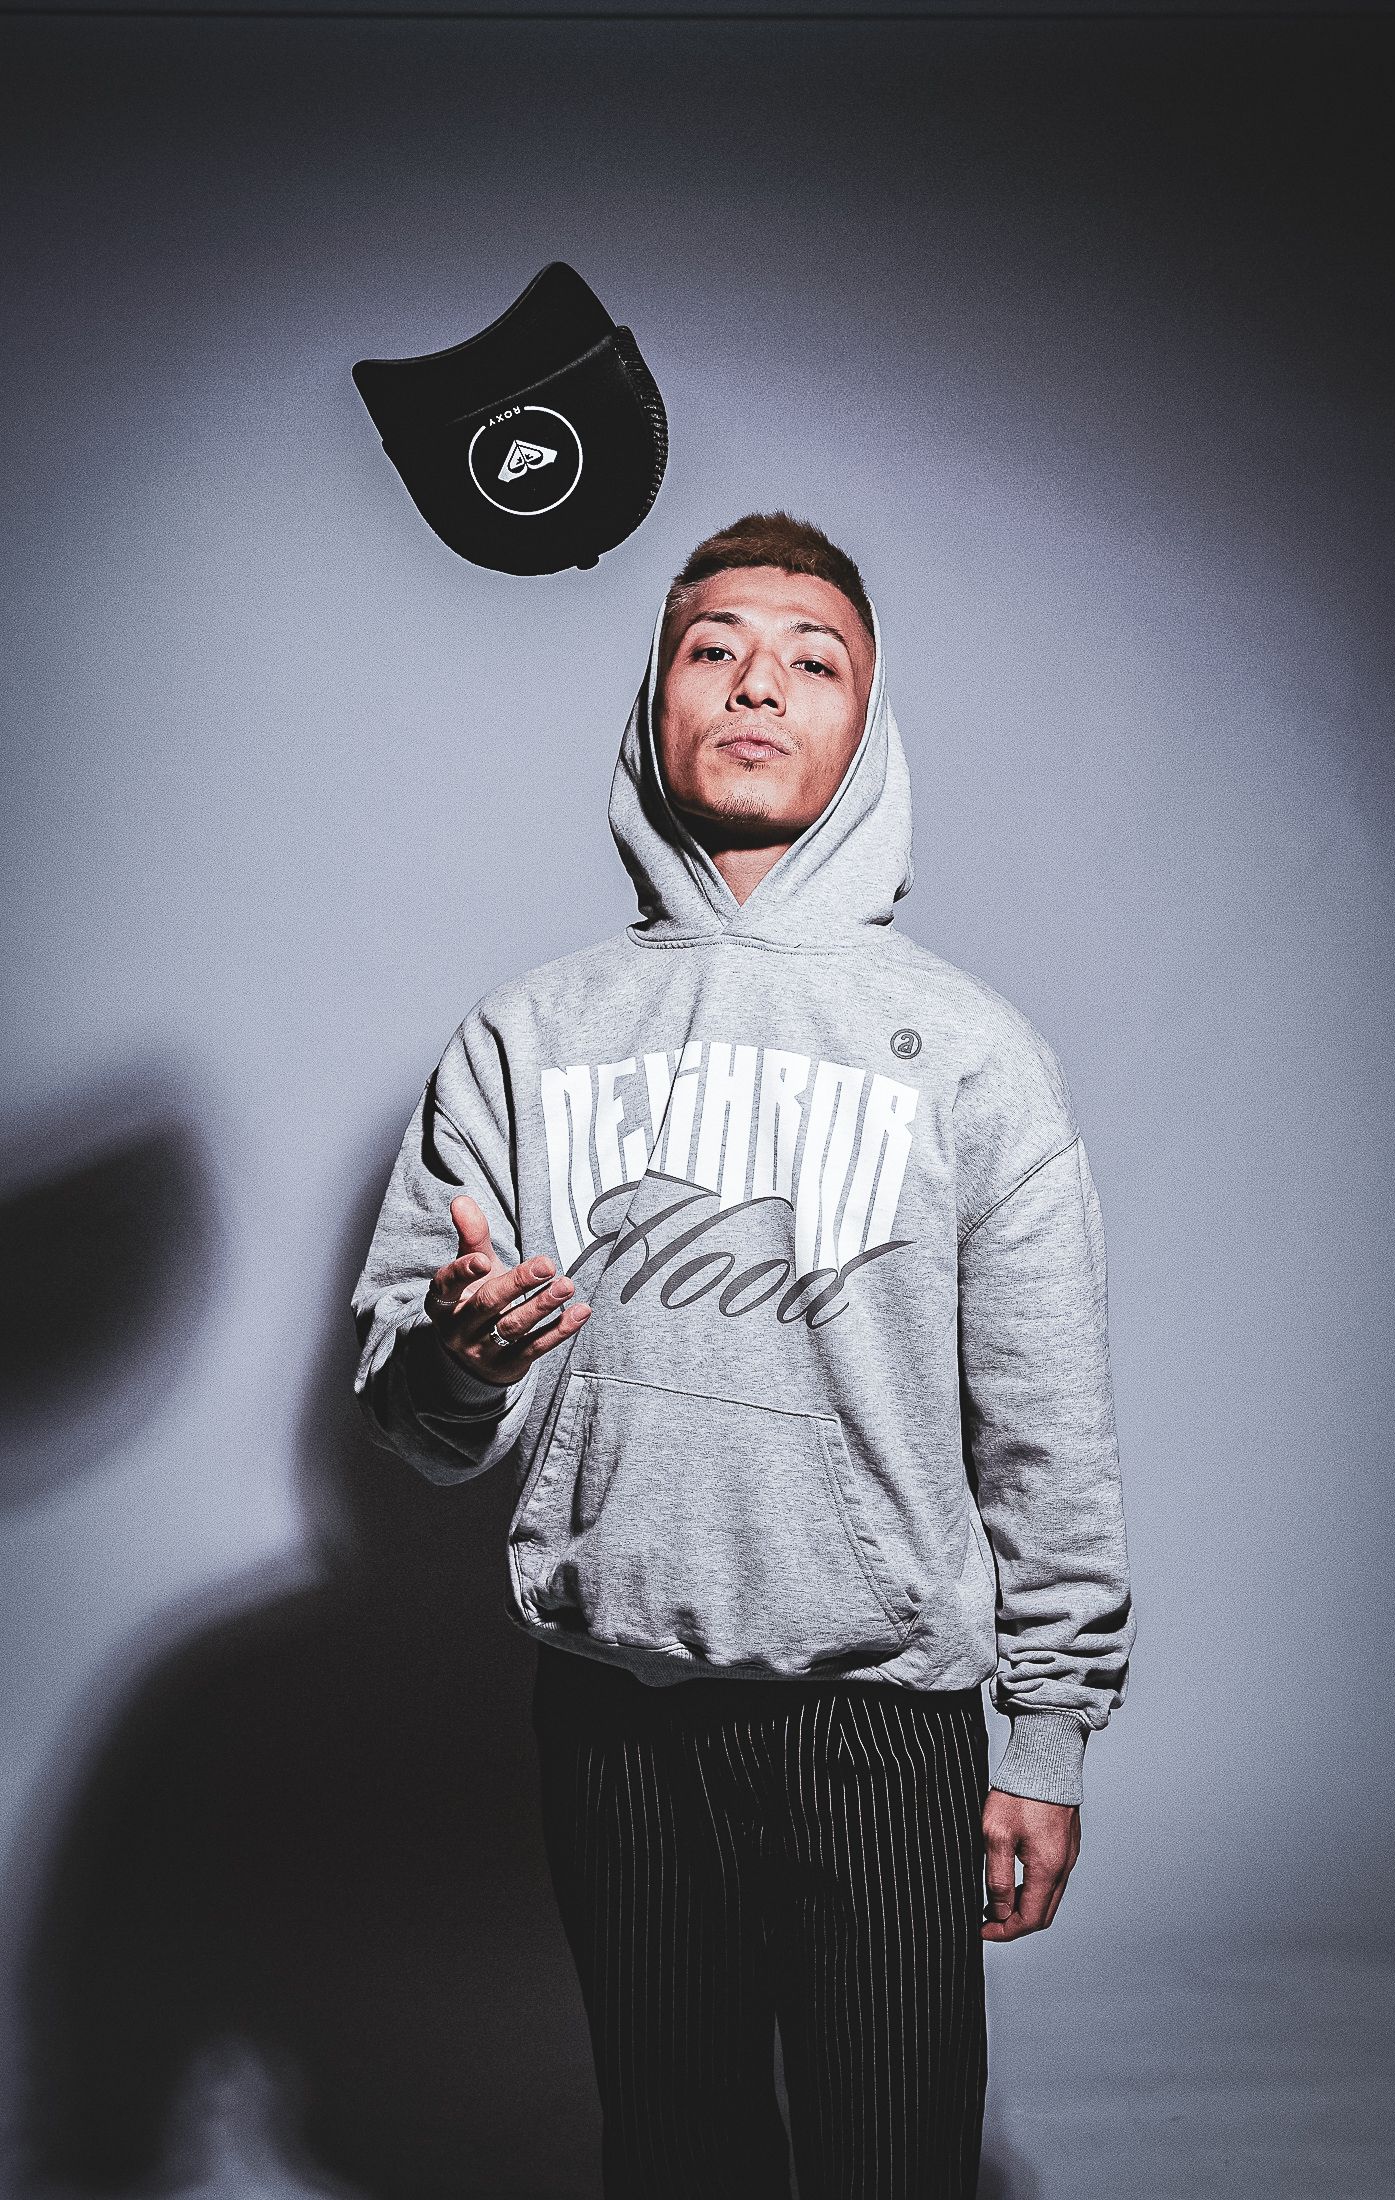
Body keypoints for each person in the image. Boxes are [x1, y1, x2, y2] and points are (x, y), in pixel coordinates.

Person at [351, 511, 1134, 2200]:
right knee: (674, 2151)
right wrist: (463, 1358)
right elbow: (415, 1417)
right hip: (613, 1709)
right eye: (713, 648)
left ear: (869, 725)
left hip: (883, 1716)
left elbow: (1047, 1425)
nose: (758, 684)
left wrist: (1047, 1735)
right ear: (654, 703)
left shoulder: (973, 1054)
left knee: (893, 2152)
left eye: (811, 658)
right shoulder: (526, 1036)